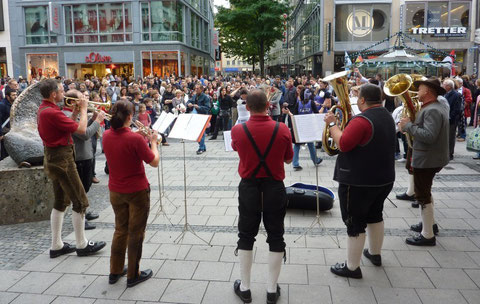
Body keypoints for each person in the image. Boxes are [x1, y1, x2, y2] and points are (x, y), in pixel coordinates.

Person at [325, 84, 395, 279]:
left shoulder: (362, 120)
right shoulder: (387, 115)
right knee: (375, 215)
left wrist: (332, 124)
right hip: (384, 178)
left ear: (363, 100)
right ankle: (374, 253)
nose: (355, 98)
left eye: (357, 95)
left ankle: (352, 267)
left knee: (355, 222)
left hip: (359, 181)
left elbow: (344, 143)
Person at [231, 89, 293, 304]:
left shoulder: (238, 130)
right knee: (276, 236)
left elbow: (237, 149)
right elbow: (288, 159)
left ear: (246, 107)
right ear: (269, 106)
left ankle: (246, 288)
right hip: (275, 187)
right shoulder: (282, 128)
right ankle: (271, 290)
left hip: (249, 187)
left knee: (246, 235)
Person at [37, 79, 106, 259]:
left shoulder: (45, 109)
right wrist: (84, 110)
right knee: (80, 201)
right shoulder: (52, 112)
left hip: (55, 157)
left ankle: (56, 245)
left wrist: (75, 112)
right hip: (63, 159)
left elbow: (68, 128)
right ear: (53, 95)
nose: (64, 93)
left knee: (61, 201)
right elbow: (82, 130)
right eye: (61, 90)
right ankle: (82, 244)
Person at [103, 100, 160, 287]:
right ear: (129, 117)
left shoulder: (106, 135)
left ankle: (115, 270)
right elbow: (154, 161)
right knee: (136, 233)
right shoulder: (134, 139)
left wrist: (139, 136)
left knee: (120, 230)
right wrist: (152, 142)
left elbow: (122, 140)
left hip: (116, 190)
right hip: (136, 191)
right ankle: (133, 274)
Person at [399, 78, 449, 246]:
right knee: (425, 191)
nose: (417, 92)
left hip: (428, 158)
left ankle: (427, 235)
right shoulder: (432, 108)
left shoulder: (432, 110)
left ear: (427, 90)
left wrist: (408, 126)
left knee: (422, 195)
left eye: (419, 88)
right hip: (429, 156)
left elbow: (429, 136)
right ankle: (430, 224)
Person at [66, 90, 104, 230]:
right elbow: (85, 134)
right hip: (80, 157)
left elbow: (84, 126)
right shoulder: (68, 116)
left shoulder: (77, 114)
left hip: (87, 155)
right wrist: (98, 121)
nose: (85, 101)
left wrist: (93, 119)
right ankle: (81, 219)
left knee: (86, 187)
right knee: (80, 190)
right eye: (82, 98)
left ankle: (84, 213)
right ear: (73, 101)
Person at [285, 86, 322, 171]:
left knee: (297, 145)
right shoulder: (311, 103)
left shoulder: (299, 103)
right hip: (309, 126)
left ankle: (295, 163)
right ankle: (315, 160)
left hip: (300, 126)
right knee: (310, 144)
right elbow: (316, 114)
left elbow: (295, 115)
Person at [187, 84, 210, 154]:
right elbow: (189, 101)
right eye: (195, 89)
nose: (196, 90)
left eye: (197, 88)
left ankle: (201, 148)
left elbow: (207, 108)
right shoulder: (194, 96)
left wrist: (199, 107)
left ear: (201, 89)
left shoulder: (206, 97)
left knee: (201, 133)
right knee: (196, 133)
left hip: (203, 116)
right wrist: (189, 104)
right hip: (195, 116)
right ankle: (203, 146)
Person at [442, 79, 462, 160]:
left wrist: (450, 117)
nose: (442, 86)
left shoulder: (456, 95)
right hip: (444, 119)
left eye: (444, 84)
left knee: (450, 137)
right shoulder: (445, 94)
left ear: (449, 86)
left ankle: (450, 154)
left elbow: (457, 109)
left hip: (451, 120)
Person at [0, 88, 17, 160]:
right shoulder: (2, 105)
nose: (16, 96)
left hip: (11, 131)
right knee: (5, 154)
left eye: (16, 94)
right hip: (4, 133)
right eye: (13, 95)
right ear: (7, 96)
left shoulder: (14, 103)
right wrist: (0, 134)